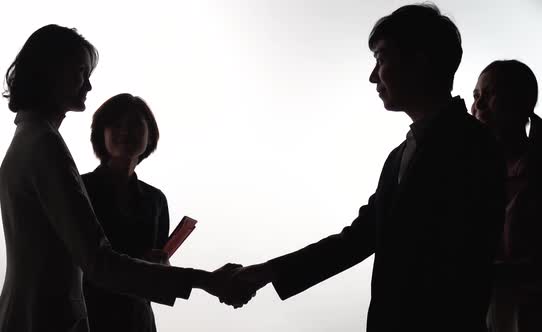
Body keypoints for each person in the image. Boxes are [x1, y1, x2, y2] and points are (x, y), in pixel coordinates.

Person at [228, 4, 506, 332]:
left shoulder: (475, 147)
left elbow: (457, 265)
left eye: (381, 59)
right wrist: (269, 271)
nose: (374, 76)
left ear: (420, 60)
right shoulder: (402, 155)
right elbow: (362, 236)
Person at [0, 24, 250, 332]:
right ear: (51, 72)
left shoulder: (31, 137)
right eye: (80, 72)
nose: (87, 85)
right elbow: (98, 263)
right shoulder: (45, 145)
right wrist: (206, 280)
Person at [81, 93, 171, 332]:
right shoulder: (79, 188)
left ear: (149, 134)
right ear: (101, 134)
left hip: (137, 319)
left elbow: (158, 264)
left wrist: (163, 265)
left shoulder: (156, 200)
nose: (125, 132)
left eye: (134, 125)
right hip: (86, 315)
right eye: (116, 125)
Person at [471, 59, 542, 332]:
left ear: (523, 101)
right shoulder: (473, 170)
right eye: (477, 96)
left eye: (489, 94)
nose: (479, 106)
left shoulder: (536, 169)